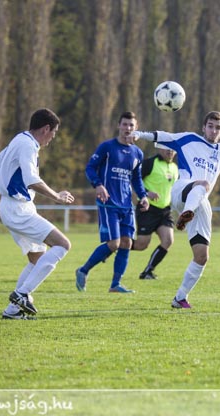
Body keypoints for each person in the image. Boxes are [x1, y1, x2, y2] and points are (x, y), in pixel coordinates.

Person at [132, 104, 220, 309]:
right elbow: (163, 136)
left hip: (200, 202)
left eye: (218, 128)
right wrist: (139, 134)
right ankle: (186, 213)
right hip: (182, 191)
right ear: (203, 127)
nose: (213, 130)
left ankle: (180, 298)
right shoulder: (189, 139)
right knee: (202, 185)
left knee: (202, 256)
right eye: (210, 126)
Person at [0, 108, 74, 320]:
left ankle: (13, 311)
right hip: (18, 209)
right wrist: (57, 196)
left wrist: (7, 189)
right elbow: (32, 180)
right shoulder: (28, 145)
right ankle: (22, 294)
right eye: (54, 132)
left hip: (14, 206)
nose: (53, 137)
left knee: (38, 258)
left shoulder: (20, 139)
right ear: (46, 129)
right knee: (63, 244)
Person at [75, 112, 149, 294]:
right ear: (119, 126)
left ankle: (115, 285)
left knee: (126, 243)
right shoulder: (107, 147)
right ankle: (83, 270)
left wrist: (143, 196)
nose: (128, 128)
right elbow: (90, 168)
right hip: (108, 203)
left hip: (126, 205)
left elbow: (136, 179)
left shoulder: (137, 153)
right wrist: (98, 185)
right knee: (114, 243)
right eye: (124, 124)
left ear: (136, 128)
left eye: (131, 125)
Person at [133, 147, 179, 279]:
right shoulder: (149, 163)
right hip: (147, 209)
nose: (170, 151)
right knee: (141, 245)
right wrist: (147, 193)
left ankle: (148, 271)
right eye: (166, 149)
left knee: (168, 240)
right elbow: (134, 180)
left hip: (165, 211)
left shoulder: (175, 168)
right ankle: (114, 246)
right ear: (159, 148)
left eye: (172, 149)